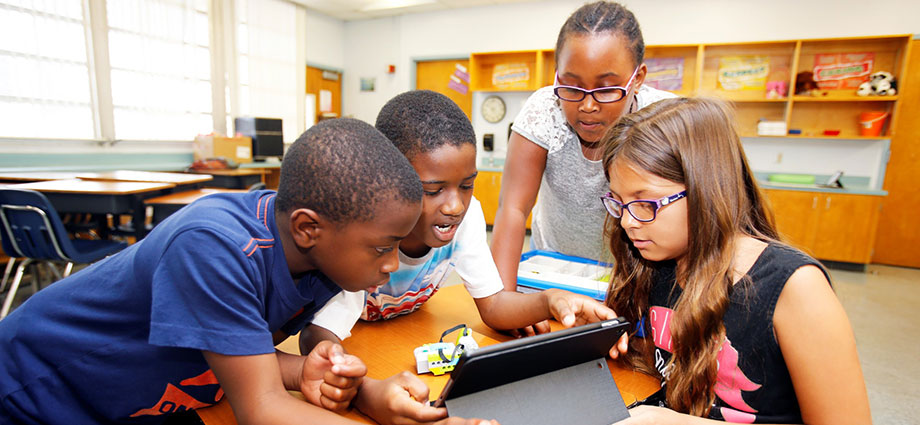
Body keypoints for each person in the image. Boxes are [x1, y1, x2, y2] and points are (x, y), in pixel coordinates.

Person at [0, 118, 491, 425]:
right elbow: (262, 408)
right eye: (382, 249)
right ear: (307, 228)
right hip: (33, 394)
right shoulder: (215, 247)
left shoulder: (327, 257)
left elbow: (227, 347)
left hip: (138, 400)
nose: (391, 265)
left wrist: (359, 390)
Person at [600, 97, 871, 424]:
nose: (627, 222)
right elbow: (662, 362)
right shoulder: (658, 262)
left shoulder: (795, 288)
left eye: (646, 203)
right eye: (618, 202)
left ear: (708, 189)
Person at [301, 90, 622, 355]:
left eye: (467, 185)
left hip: (407, 334)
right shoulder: (362, 229)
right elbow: (316, 334)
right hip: (358, 344)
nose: (455, 206)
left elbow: (494, 304)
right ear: (386, 180)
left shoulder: (465, 219)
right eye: (433, 190)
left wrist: (550, 300)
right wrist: (338, 368)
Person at [490, 1, 676, 297]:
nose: (587, 106)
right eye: (572, 88)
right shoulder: (544, 111)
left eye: (605, 90)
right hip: (552, 268)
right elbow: (513, 208)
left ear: (637, 79)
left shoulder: (665, 119)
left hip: (636, 271)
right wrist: (501, 301)